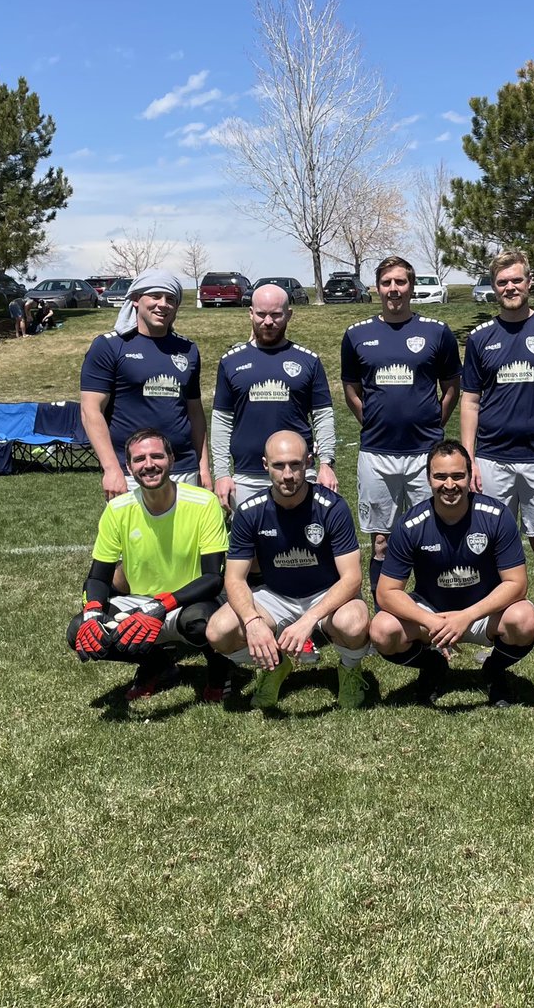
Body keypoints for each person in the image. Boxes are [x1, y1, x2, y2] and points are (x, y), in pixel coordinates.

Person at [206, 431, 370, 711]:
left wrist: (309, 620)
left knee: (354, 622)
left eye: (295, 464)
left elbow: (353, 578)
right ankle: (274, 665)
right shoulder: (249, 510)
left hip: (325, 595)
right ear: (264, 465)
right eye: (279, 465)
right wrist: (252, 621)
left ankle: (350, 670)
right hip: (276, 596)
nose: (288, 474)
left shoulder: (332, 507)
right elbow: (233, 578)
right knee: (218, 632)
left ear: (308, 462)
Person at [371, 440, 534, 707]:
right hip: (433, 614)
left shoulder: (496, 515)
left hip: (483, 613)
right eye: (440, 476)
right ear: (428, 479)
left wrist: (467, 616)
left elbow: (517, 584)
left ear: (470, 477)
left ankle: (494, 670)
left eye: (458, 476)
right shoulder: (410, 524)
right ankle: (433, 665)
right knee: (382, 630)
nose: (449, 485)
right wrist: (430, 620)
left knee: (525, 619)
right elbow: (386, 592)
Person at [67, 428, 230, 701]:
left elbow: (213, 578)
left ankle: (219, 668)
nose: (149, 464)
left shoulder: (204, 503)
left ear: (171, 460)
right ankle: (157, 664)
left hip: (189, 602)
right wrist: (93, 612)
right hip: (141, 602)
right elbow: (97, 577)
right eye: (139, 459)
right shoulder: (117, 509)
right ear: (129, 468)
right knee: (78, 630)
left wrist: (160, 606)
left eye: (157, 456)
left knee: (201, 623)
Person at [460, 249, 534, 608]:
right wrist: (470, 460)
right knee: (490, 540)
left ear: (530, 282)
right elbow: (469, 401)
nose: (510, 287)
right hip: (492, 457)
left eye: (516, 280)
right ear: (493, 288)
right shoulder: (480, 338)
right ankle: (495, 620)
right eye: (502, 282)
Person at [340, 255, 460, 601]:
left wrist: (435, 421)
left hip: (425, 453)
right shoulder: (357, 335)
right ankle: (385, 612)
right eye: (387, 282)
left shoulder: (436, 332)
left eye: (401, 282)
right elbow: (351, 389)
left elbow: (452, 385)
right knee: (382, 540)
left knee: (432, 533)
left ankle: (436, 607)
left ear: (411, 286)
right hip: (377, 454)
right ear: (377, 288)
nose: (394, 289)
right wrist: (373, 421)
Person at [80, 268, 211, 499]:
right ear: (135, 300)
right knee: (134, 535)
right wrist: (112, 468)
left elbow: (195, 413)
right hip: (132, 470)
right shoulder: (109, 346)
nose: (163, 304)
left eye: (171, 299)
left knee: (185, 535)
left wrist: (203, 468)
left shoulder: (188, 349)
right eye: (155, 296)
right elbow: (91, 410)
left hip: (184, 468)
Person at [211, 282, 338, 511]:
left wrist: (326, 464)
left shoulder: (308, 361)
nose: (267, 322)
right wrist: (221, 473)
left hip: (298, 474)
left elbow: (323, 416)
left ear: (289, 314)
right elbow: (221, 422)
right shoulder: (230, 361)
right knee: (249, 545)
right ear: (250, 313)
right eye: (261, 314)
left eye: (276, 315)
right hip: (246, 477)